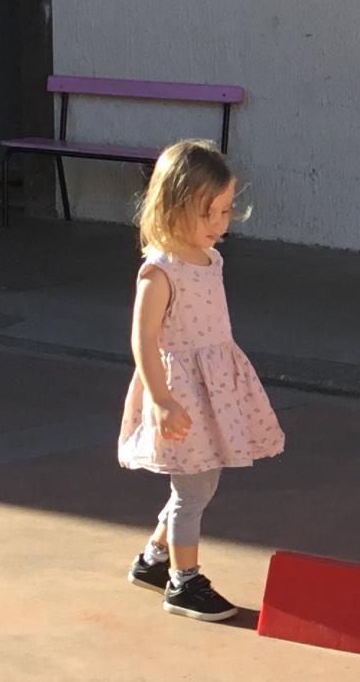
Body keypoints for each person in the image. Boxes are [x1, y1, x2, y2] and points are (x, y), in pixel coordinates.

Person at [117, 140, 285, 621]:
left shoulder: (212, 260)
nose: (219, 222)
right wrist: (161, 399)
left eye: (226, 211)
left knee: (200, 485)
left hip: (215, 389)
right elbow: (144, 340)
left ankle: (154, 560)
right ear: (173, 207)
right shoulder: (159, 271)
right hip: (183, 394)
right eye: (207, 212)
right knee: (193, 491)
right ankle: (183, 582)